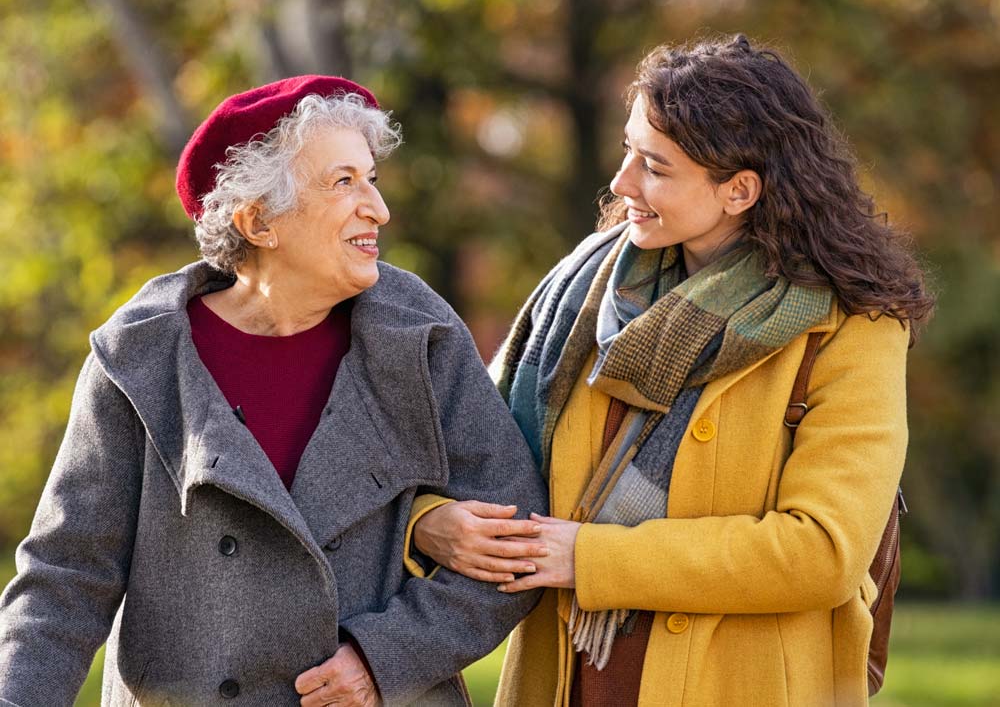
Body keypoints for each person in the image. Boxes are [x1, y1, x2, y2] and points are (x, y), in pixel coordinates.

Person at [409, 35, 934, 706]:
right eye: (629, 150)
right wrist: (432, 518)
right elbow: (464, 450)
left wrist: (592, 559)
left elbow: (822, 551)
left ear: (739, 189)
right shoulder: (584, 294)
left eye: (654, 166)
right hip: (565, 681)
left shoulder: (852, 327)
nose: (623, 182)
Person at [0, 76, 547, 706]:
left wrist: (385, 657)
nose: (377, 207)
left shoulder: (416, 332)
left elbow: (517, 535)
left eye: (372, 179)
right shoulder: (140, 358)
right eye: (344, 183)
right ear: (259, 221)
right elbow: (65, 579)